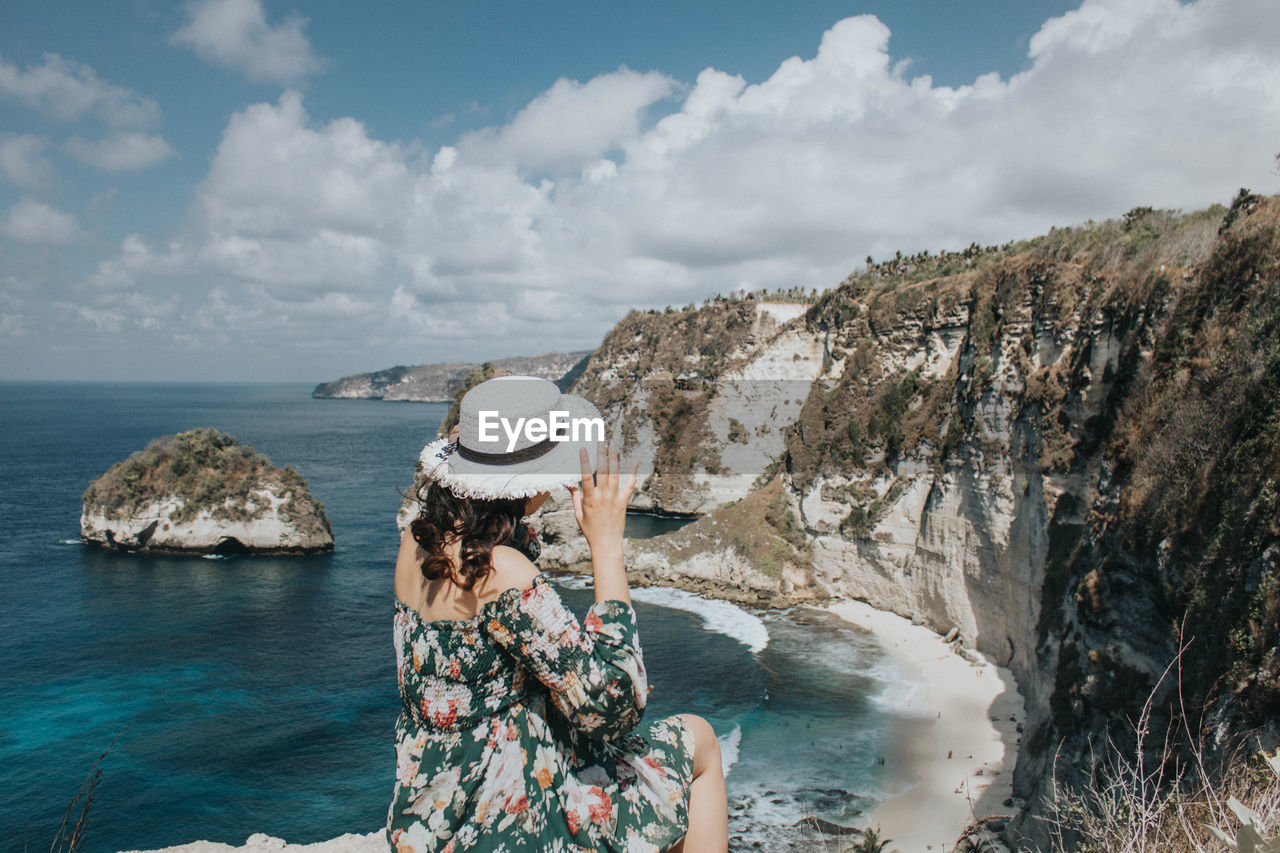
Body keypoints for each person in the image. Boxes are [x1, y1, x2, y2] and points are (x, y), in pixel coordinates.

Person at [387, 376, 728, 853]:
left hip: (433, 817)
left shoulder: (415, 542)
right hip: (508, 821)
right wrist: (606, 546)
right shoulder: (498, 570)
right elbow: (614, 709)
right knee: (701, 740)